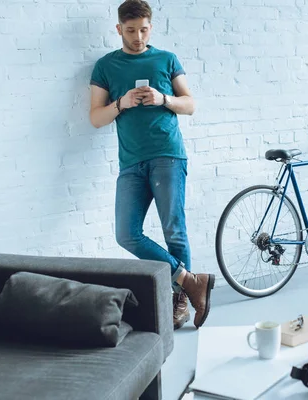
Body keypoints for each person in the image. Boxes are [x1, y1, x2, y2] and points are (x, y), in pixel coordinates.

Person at [88, 0, 214, 330]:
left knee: (174, 227)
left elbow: (189, 104)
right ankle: (190, 280)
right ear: (119, 29)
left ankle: (181, 301)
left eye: (144, 29)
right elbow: (95, 117)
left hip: (167, 154)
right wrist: (122, 103)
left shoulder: (166, 59)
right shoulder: (105, 66)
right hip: (131, 162)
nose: (138, 37)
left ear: (151, 26)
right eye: (131, 31)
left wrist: (162, 99)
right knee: (127, 233)